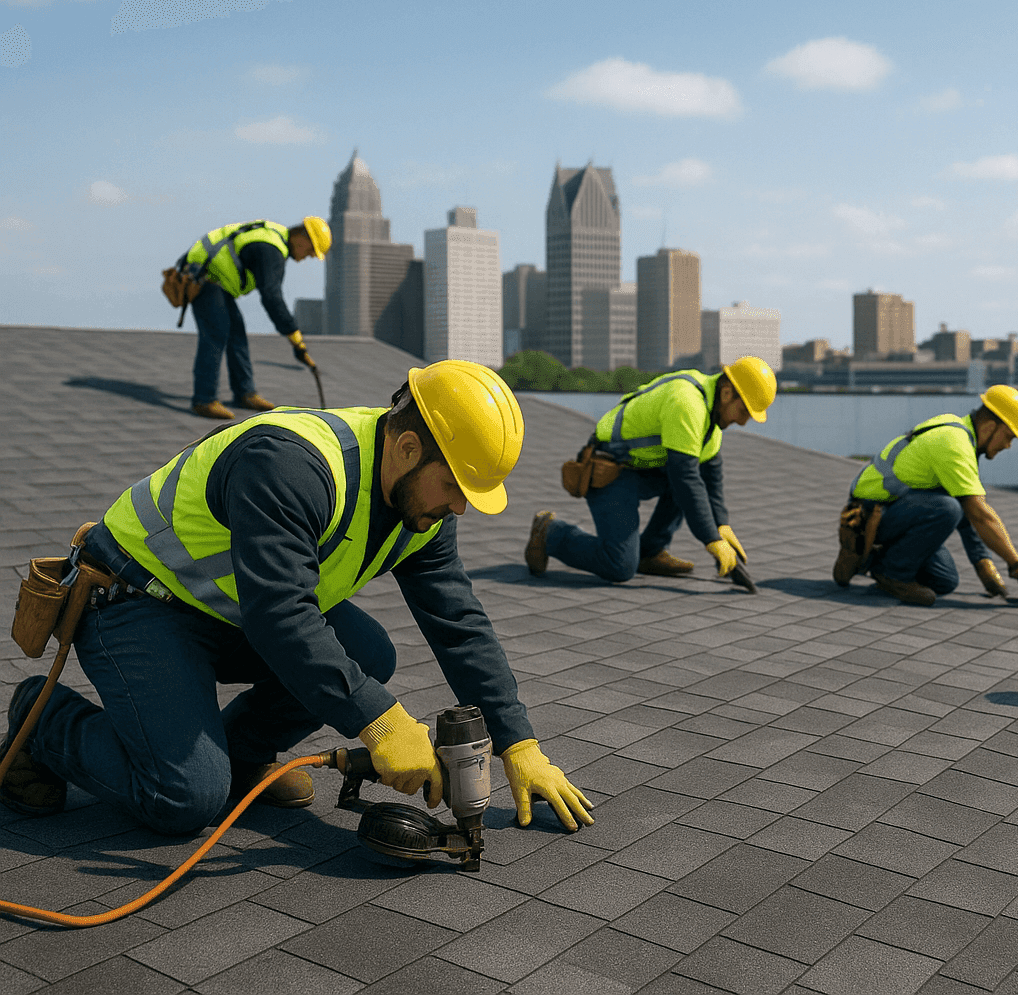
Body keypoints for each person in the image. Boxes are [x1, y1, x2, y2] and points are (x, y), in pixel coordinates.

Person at [1, 360, 595, 836]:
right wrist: (382, 723)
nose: (460, 507)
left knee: (367, 653)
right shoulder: (293, 465)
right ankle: (42, 718)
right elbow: (280, 613)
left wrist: (519, 742)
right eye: (455, 486)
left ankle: (237, 756)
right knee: (182, 799)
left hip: (229, 611)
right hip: (137, 601)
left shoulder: (424, 504)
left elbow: (458, 621)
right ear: (409, 446)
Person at [525, 356, 778, 584]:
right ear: (726, 393)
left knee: (691, 478)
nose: (744, 422)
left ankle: (650, 552)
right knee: (620, 566)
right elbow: (685, 479)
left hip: (642, 469)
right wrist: (712, 540)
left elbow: (710, 478)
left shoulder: (712, 421)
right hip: (610, 469)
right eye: (744, 411)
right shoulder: (688, 403)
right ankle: (551, 532)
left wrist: (722, 525)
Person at [834, 384, 1018, 607]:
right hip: (867, 514)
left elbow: (969, 512)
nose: (1008, 445)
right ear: (990, 427)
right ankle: (894, 575)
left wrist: (984, 565)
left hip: (896, 511)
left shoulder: (960, 435)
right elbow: (979, 514)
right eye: (1009, 436)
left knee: (944, 580)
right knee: (947, 508)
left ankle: (875, 562)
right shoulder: (955, 444)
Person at [178, 216, 330, 420]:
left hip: (217, 281)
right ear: (302, 237)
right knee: (216, 332)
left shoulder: (275, 242)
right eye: (311, 251)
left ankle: (245, 393)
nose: (308, 257)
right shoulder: (270, 249)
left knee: (236, 333)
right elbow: (271, 297)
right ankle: (203, 400)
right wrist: (294, 336)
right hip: (203, 276)